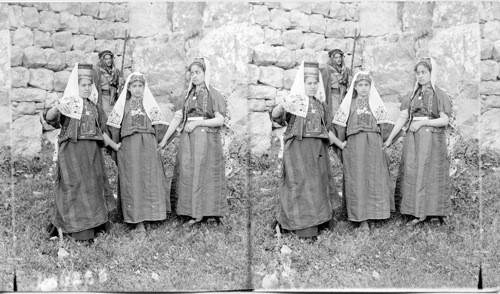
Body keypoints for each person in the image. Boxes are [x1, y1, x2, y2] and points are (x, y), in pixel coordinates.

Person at [44, 63, 120, 242]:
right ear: (76, 86)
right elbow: (49, 118)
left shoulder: (94, 108)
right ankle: (78, 231)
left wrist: (115, 147)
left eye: (89, 85)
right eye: (83, 85)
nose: (86, 88)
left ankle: (94, 225)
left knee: (92, 187)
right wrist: (56, 107)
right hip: (71, 153)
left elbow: (101, 132)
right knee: (73, 188)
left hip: (92, 154)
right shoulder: (68, 104)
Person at [271, 61, 343, 239]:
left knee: (317, 185)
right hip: (297, 150)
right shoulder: (295, 102)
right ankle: (299, 226)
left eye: (315, 83)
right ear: (302, 85)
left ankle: (318, 222)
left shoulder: (321, 106)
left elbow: (326, 129)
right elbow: (276, 117)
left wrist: (341, 145)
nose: (312, 86)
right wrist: (282, 105)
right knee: (298, 186)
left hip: (317, 152)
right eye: (309, 83)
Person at [158, 57, 228, 226]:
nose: (194, 76)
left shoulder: (214, 94)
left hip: (207, 140)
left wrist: (197, 123)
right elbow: (177, 118)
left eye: (198, 72)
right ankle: (190, 211)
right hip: (188, 142)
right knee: (188, 173)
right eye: (192, 73)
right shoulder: (186, 95)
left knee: (206, 174)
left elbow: (220, 120)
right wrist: (164, 140)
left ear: (206, 73)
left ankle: (209, 213)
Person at [383, 57, 452, 226]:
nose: (420, 76)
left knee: (431, 173)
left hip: (432, 140)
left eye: (424, 72)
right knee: (414, 173)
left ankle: (434, 212)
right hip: (413, 141)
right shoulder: (412, 95)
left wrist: (422, 123)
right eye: (417, 73)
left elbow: (444, 120)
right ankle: (415, 212)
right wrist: (390, 139)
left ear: (431, 73)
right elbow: (403, 118)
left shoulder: (439, 95)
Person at [107, 72, 170, 233]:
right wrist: (116, 145)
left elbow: (159, 126)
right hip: (130, 147)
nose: (137, 89)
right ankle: (136, 219)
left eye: (140, 86)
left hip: (148, 145)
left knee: (150, 178)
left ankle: (151, 215)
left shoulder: (149, 105)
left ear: (144, 87)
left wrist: (160, 142)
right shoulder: (123, 105)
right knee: (133, 180)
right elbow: (113, 128)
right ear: (128, 88)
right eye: (134, 86)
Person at [333, 71, 395, 231]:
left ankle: (377, 213)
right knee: (358, 179)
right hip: (355, 147)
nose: (363, 88)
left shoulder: (375, 104)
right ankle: (361, 218)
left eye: (366, 85)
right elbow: (339, 126)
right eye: (360, 85)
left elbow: (384, 125)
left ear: (370, 86)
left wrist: (385, 142)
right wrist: (342, 144)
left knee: (375, 177)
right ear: (355, 87)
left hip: (373, 146)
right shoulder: (349, 104)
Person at [321, 49, 352, 116]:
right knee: (335, 116)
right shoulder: (327, 70)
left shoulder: (346, 70)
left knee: (344, 115)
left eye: (340, 57)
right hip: (333, 96)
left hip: (343, 96)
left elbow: (349, 86)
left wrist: (350, 80)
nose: (339, 59)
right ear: (332, 59)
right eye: (336, 57)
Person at [95, 50, 124, 116]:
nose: (109, 60)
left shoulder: (116, 71)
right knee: (105, 118)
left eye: (110, 58)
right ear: (102, 60)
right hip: (104, 98)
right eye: (106, 59)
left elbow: (121, 87)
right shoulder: (98, 72)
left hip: (114, 98)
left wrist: (121, 83)